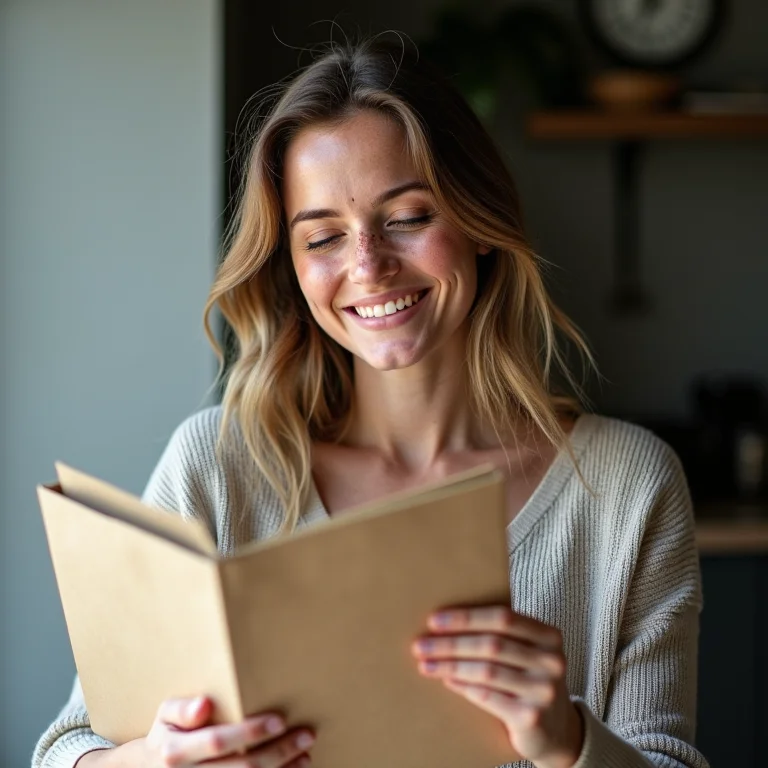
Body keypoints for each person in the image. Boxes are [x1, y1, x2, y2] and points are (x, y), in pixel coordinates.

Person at [33, 35, 709, 768]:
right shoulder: (217, 465)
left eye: (408, 218)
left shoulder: (626, 488)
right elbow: (69, 748)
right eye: (323, 237)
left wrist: (569, 741)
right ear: (292, 267)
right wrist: (153, 760)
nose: (369, 266)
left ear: (479, 222)